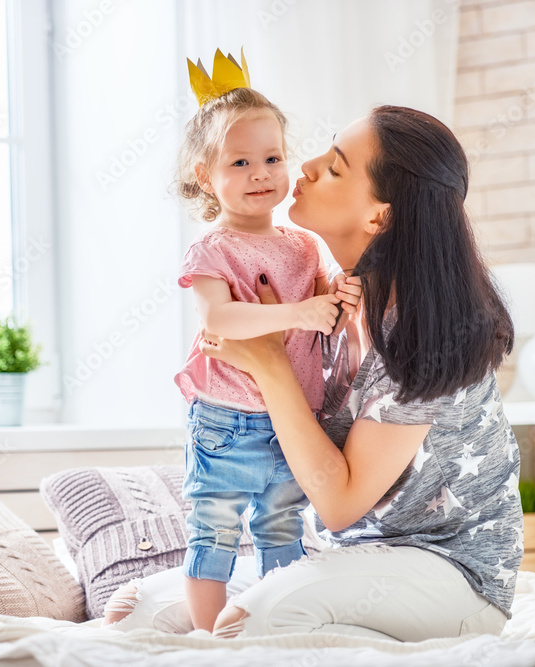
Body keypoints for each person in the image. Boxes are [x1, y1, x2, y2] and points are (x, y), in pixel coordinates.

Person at [104, 105, 522, 641]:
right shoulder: (329, 295)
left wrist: (269, 363)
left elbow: (340, 502)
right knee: (134, 611)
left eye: (336, 166)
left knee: (248, 625)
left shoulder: (429, 335)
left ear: (379, 216)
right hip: (351, 555)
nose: (305, 166)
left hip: (449, 572)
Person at [171, 57, 360, 632]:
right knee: (214, 529)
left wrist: (336, 290)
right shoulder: (213, 248)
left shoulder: (303, 245)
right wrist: (302, 309)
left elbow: (319, 301)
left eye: (273, 158)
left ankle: (277, 627)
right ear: (207, 176)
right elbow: (220, 318)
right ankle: (207, 639)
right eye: (241, 162)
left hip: (292, 417)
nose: (261, 174)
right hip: (226, 419)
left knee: (282, 528)